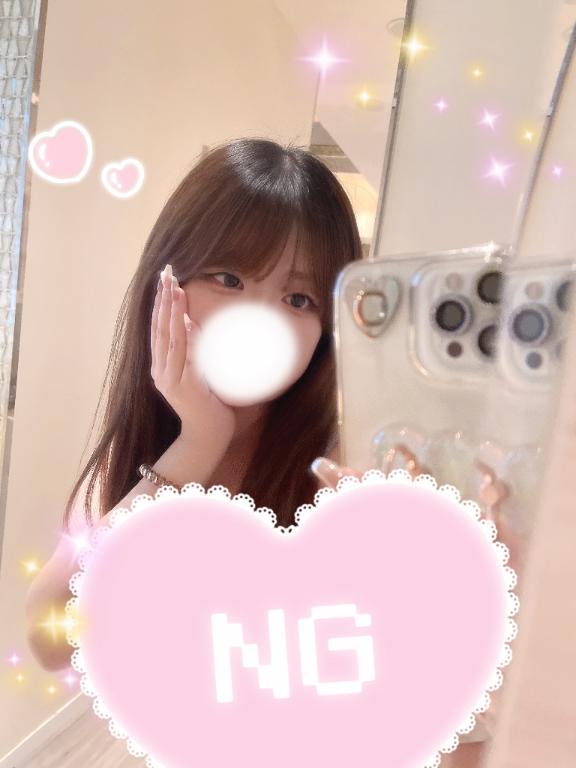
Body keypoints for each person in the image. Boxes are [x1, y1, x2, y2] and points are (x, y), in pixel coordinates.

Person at [25, 136, 363, 673]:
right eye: (229, 279)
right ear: (166, 281)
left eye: (298, 299)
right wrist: (199, 443)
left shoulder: (340, 470)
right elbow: (52, 637)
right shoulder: (156, 440)